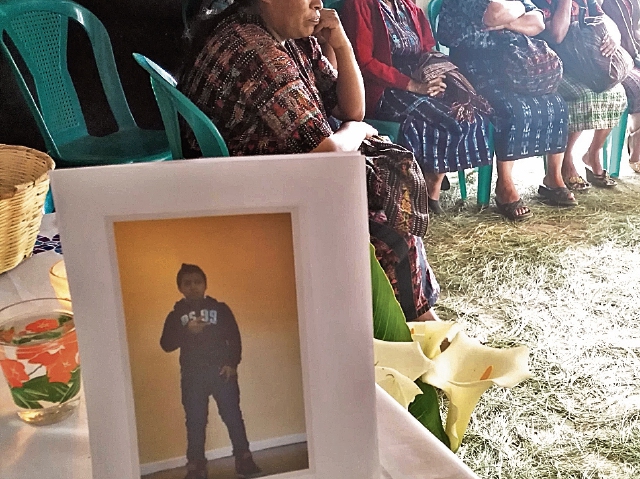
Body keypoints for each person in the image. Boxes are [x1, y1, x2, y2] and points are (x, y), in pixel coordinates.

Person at [178, 0, 441, 321]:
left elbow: (351, 109)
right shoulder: (256, 51)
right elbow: (328, 155)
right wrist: (356, 132)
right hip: (250, 196)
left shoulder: (290, 35)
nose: (319, 3)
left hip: (265, 172)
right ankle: (414, 328)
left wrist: (340, 43)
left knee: (378, 188)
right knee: (389, 228)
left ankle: (413, 322)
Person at [341, 0, 493, 214]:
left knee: (468, 112)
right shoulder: (360, 5)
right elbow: (365, 62)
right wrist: (413, 85)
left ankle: (433, 182)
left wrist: (435, 77)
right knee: (443, 118)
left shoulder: (407, 6)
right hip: (386, 88)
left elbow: (428, 47)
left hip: (419, 79)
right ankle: (425, 187)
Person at [437, 0, 577, 219]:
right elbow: (493, 13)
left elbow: (538, 22)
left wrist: (508, 23)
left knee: (556, 103)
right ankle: (504, 185)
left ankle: (553, 178)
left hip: (511, 63)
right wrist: (517, 12)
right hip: (474, 66)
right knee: (509, 108)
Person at [160, 264, 262, 479]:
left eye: (197, 281)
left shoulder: (221, 309)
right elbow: (166, 344)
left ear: (205, 284)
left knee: (233, 416)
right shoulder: (175, 315)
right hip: (192, 376)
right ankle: (196, 467)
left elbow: (234, 338)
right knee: (195, 421)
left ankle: (244, 460)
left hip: (221, 372)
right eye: (187, 283)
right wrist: (186, 331)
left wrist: (232, 364)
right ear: (180, 288)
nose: (193, 286)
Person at [532, 0, 628, 189]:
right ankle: (565, 161)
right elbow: (556, 35)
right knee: (581, 96)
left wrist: (614, 37)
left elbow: (603, 17)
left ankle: (593, 154)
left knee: (616, 93)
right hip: (549, 62)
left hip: (580, 62)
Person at [601, 0, 640, 173]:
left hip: (634, 52)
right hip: (612, 58)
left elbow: (635, 29)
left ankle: (636, 136)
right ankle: (636, 141)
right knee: (637, 86)